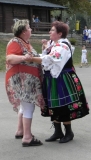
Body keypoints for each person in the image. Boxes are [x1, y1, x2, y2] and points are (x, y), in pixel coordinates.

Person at [27, 21, 89, 143]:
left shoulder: (63, 46)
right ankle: (58, 131)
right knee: (53, 104)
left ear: (60, 34)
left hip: (63, 79)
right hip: (53, 79)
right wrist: (42, 49)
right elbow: (46, 55)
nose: (50, 32)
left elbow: (51, 58)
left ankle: (69, 132)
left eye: (52, 30)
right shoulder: (54, 44)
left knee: (63, 105)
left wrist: (32, 58)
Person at [5, 19, 45, 147]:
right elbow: (9, 58)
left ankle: (20, 131)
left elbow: (33, 57)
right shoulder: (15, 41)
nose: (31, 29)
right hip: (22, 80)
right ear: (23, 31)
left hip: (27, 80)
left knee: (24, 105)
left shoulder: (25, 42)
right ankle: (27, 137)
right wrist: (24, 58)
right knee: (28, 106)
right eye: (29, 28)